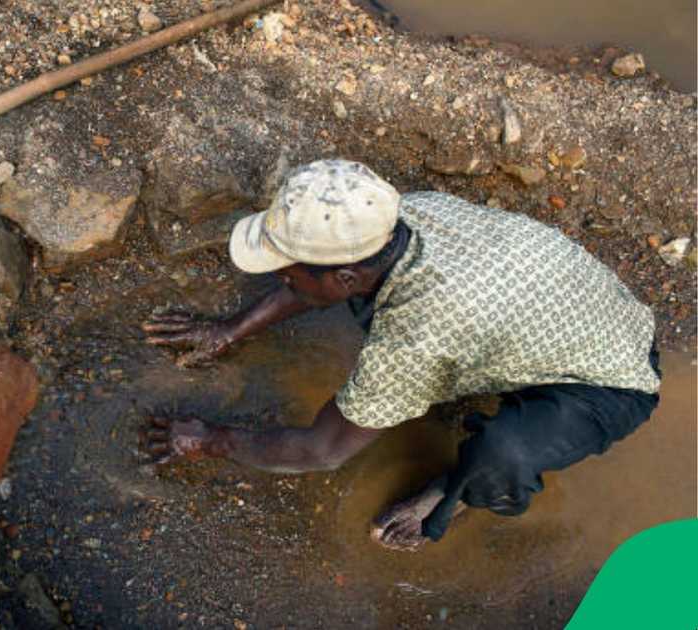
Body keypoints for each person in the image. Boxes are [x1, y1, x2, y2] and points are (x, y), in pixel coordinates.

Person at [141, 159, 661, 551]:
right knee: (414, 344)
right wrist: (230, 330)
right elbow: (318, 279)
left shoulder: (417, 335)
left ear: (346, 276)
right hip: (564, 309)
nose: (279, 276)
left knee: (504, 453)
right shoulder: (401, 215)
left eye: (286, 269)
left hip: (615, 375)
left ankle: (450, 497)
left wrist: (212, 440)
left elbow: (323, 450)